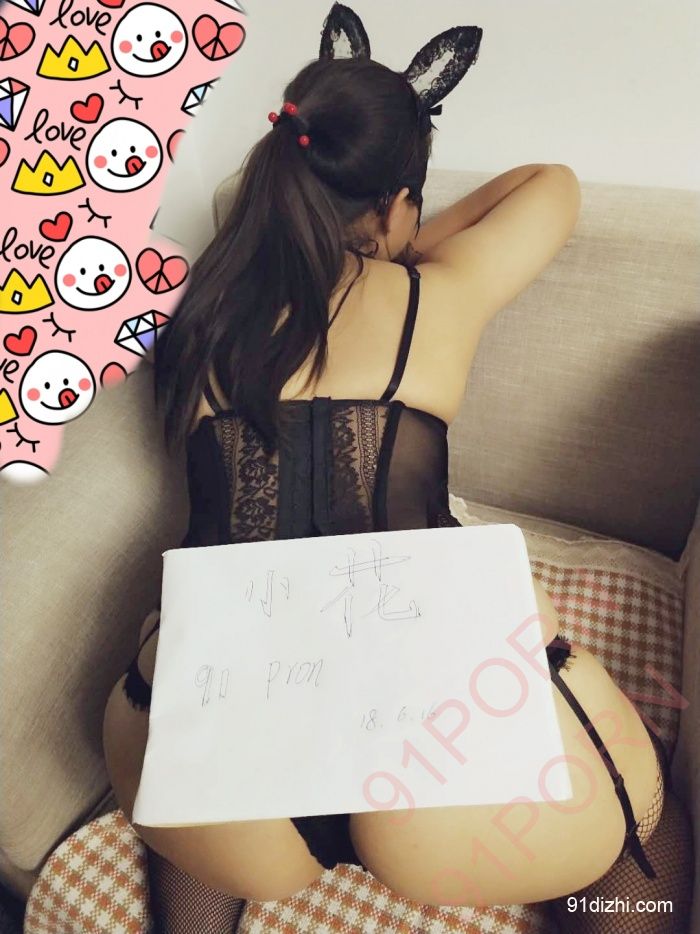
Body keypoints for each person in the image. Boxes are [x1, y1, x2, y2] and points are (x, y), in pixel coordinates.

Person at [102, 4, 693, 932]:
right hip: (433, 783)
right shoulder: (436, 295)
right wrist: (398, 237)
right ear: (390, 202)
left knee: (199, 822)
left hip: (208, 766)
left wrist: (369, 224)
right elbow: (552, 182)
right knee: (638, 843)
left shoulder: (196, 307)